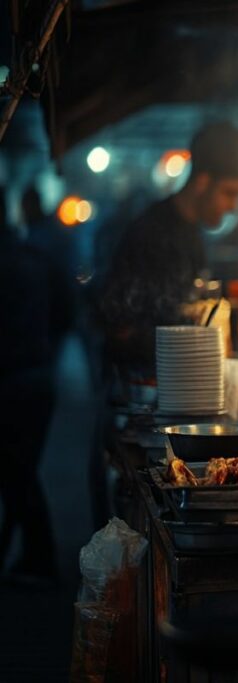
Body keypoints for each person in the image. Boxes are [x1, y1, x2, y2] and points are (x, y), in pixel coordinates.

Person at [97, 120, 238, 375]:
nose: (233, 207)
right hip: (145, 393)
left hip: (183, 383)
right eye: (229, 193)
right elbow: (120, 330)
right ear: (202, 183)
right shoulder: (150, 234)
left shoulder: (191, 232)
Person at [0, 188, 72, 582]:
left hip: (12, 379)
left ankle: (37, 560)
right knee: (21, 470)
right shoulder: (34, 257)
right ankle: (33, 557)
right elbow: (65, 312)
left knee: (17, 472)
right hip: (38, 375)